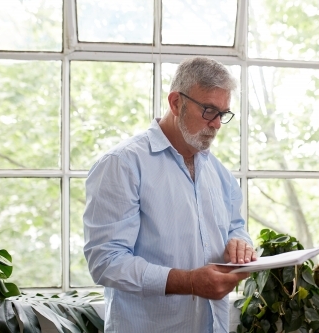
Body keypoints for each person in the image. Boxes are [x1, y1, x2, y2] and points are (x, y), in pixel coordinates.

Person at [83, 56, 256, 333]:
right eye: (209, 110)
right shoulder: (122, 164)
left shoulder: (218, 172)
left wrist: (240, 244)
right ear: (176, 102)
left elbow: (235, 227)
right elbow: (106, 262)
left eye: (223, 113)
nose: (217, 124)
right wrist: (187, 281)